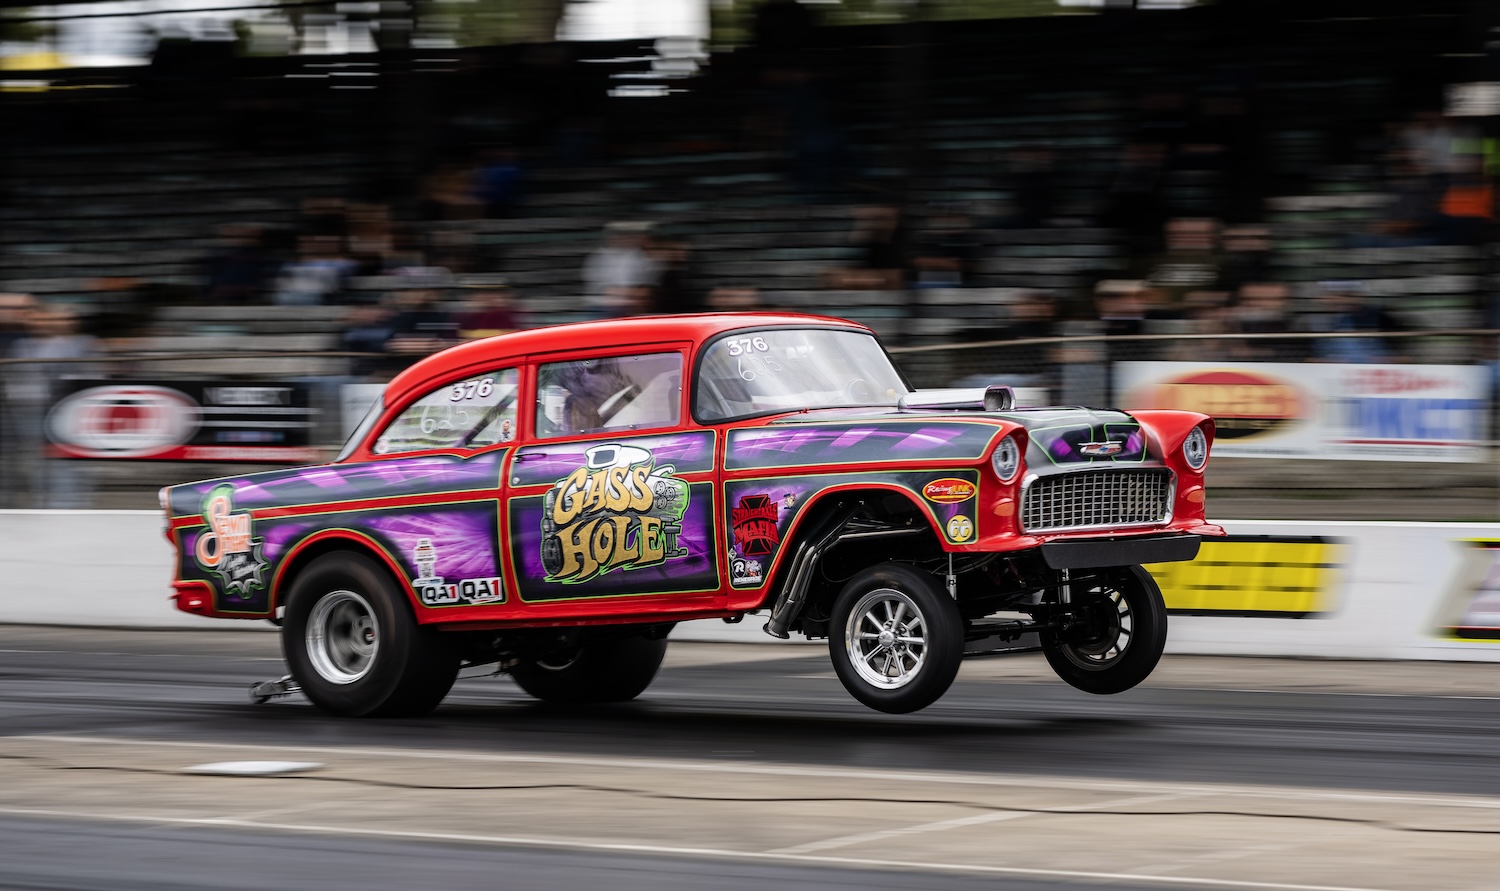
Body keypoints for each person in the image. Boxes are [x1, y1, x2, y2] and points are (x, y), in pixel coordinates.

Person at [6, 307, 98, 508]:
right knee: (38, 460)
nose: (43, 324)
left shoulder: (78, 344)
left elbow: (89, 376)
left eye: (49, 319)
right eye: (38, 320)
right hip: (28, 410)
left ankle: (69, 504)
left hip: (65, 410)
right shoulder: (21, 345)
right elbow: (15, 376)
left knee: (65, 459)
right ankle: (43, 503)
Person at [582, 222, 659, 318]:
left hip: (628, 308)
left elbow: (645, 289)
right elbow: (606, 289)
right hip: (603, 308)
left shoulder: (641, 258)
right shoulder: (600, 257)